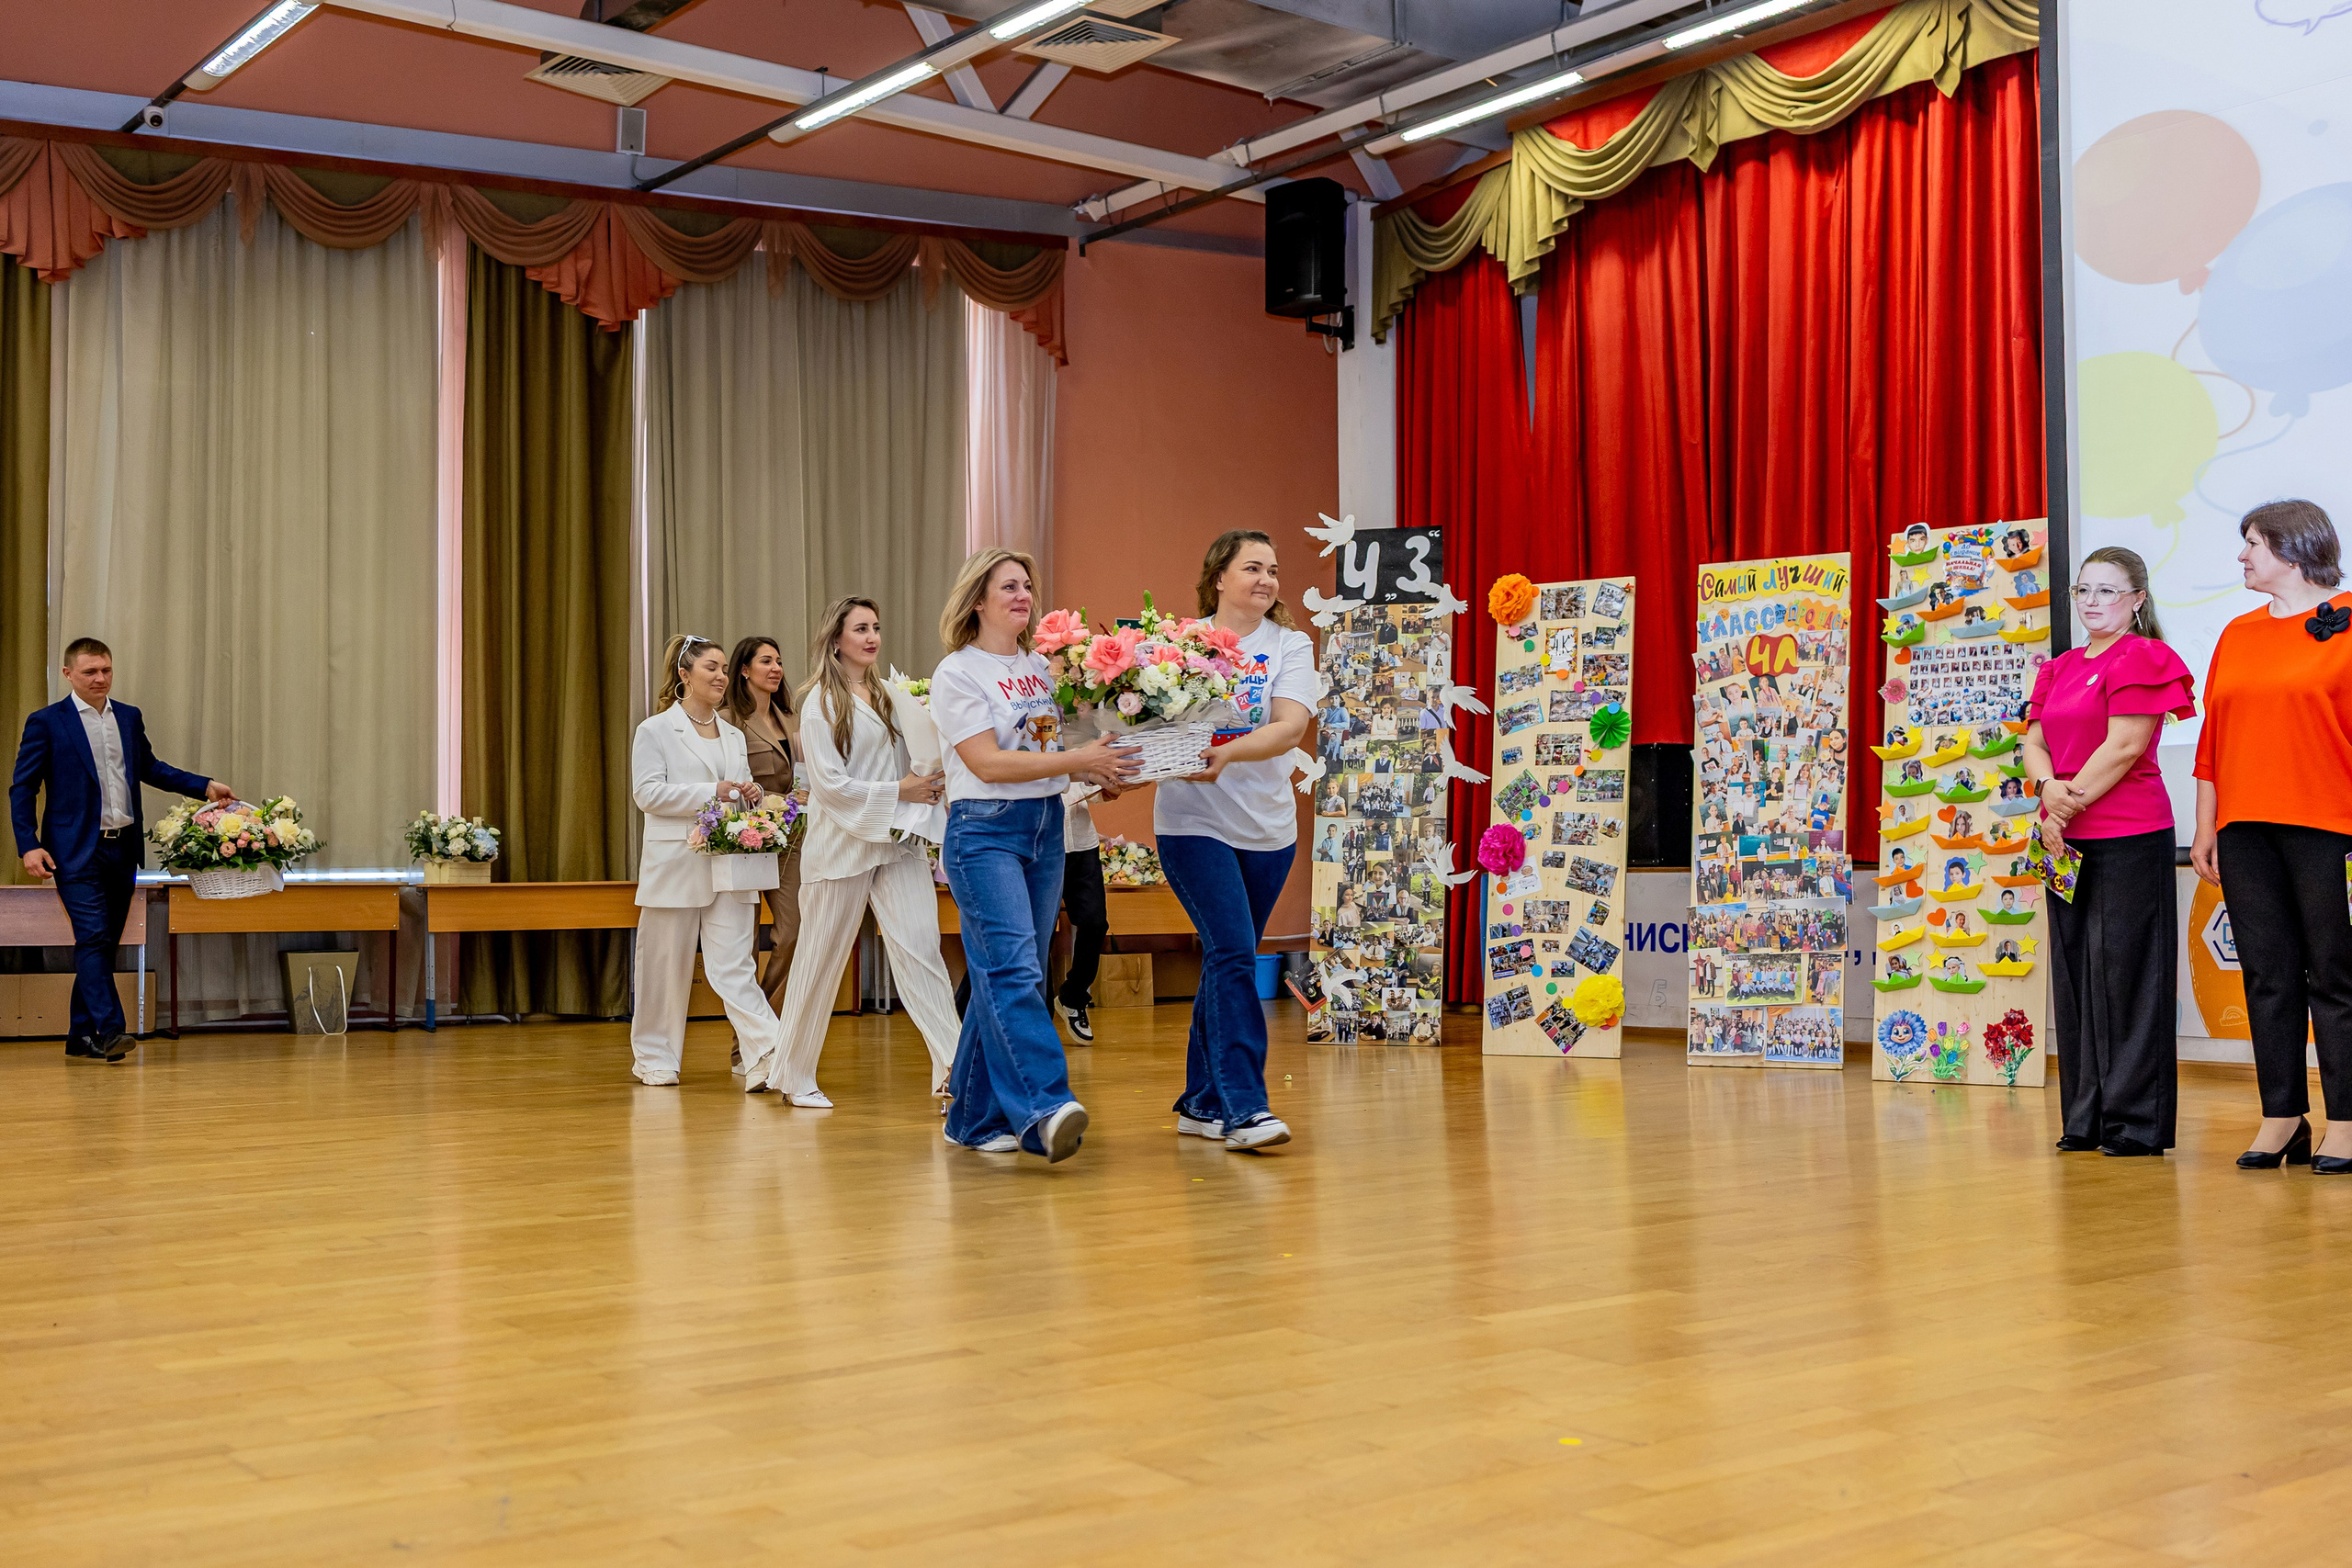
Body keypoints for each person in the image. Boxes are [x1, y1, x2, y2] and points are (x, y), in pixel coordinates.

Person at [933, 548, 1136, 1161]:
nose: (1023, 594)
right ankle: (1046, 1105)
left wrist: (1104, 774)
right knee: (1017, 969)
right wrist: (1079, 761)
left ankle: (969, 1118)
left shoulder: (1046, 670)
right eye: (1008, 586)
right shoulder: (958, 673)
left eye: (1027, 585)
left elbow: (1063, 751)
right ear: (978, 601)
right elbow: (988, 763)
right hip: (983, 832)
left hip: (1048, 825)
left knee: (1005, 970)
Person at [743, 598, 958, 1109]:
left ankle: (955, 1066)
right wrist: (899, 792)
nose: (872, 636)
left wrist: (926, 786)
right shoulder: (819, 702)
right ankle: (793, 1074)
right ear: (835, 639)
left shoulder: (892, 695)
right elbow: (831, 787)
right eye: (860, 628)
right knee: (819, 960)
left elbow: (919, 759)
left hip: (896, 844)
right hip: (841, 844)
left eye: (877, 627)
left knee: (922, 950)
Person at [2190, 500, 2352, 1172]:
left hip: (2327, 825)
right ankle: (2281, 1115)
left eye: (2252, 543)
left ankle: (2345, 1120)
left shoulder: (2347, 624)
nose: (2242, 556)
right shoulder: (2236, 632)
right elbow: (2213, 737)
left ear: (2293, 548)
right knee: (2266, 974)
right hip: (2245, 826)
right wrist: (2207, 823)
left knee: (2335, 975)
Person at [1154, 529, 1317, 1152]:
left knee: (1229, 956)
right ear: (1218, 576)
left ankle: (1200, 1102)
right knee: (1232, 953)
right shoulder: (1178, 645)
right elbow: (1143, 721)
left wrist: (1221, 753)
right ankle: (1245, 1107)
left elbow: (1289, 728)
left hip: (1269, 831)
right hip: (1192, 823)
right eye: (1253, 567)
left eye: (1273, 570)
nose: (1267, 579)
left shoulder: (1290, 645)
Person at [11, 637, 231, 1062]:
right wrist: (28, 845)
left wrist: (203, 785)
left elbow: (150, 768)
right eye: (90, 671)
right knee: (92, 937)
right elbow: (23, 788)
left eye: (106, 670)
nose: (100, 678)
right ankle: (112, 1030)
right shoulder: (47, 722)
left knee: (103, 943)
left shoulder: (128, 718)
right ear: (68, 674)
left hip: (120, 849)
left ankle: (79, 1036)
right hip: (73, 851)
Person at [628, 635, 781, 1088]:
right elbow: (647, 794)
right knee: (664, 964)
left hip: (729, 863)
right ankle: (655, 1057)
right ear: (684, 676)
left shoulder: (733, 734)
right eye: (710, 668)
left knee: (734, 965)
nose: (721, 676)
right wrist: (711, 793)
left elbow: (741, 788)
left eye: (722, 669)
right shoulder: (655, 730)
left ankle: (768, 1050)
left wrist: (751, 794)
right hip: (676, 863)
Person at [723, 636, 803, 1060]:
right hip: (746, 840)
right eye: (766, 661)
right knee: (743, 945)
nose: (776, 668)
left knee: (793, 931)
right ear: (744, 669)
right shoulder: (726, 720)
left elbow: (805, 773)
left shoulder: (791, 718)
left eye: (779, 661)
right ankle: (747, 1048)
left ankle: (771, 1032)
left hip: (791, 838)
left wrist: (805, 794)